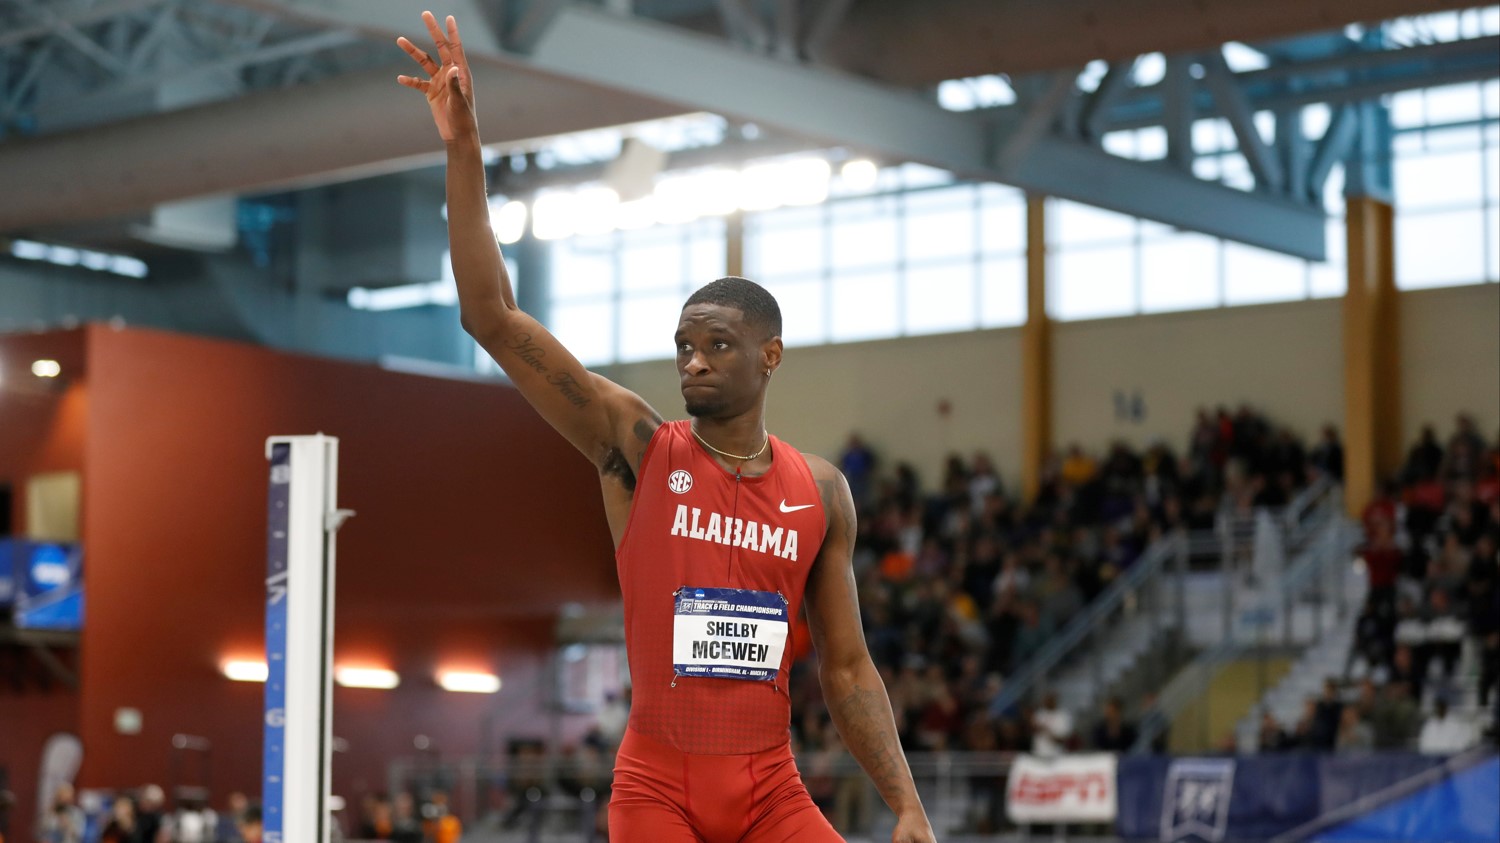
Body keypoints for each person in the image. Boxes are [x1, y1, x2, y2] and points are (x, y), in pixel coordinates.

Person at [396, 13, 935, 843]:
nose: (694, 362)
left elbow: (849, 665)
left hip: (771, 790)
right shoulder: (637, 446)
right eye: (684, 345)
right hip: (658, 790)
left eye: (718, 344)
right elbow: (492, 316)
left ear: (772, 355)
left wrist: (905, 801)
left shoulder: (821, 492)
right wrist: (464, 148)